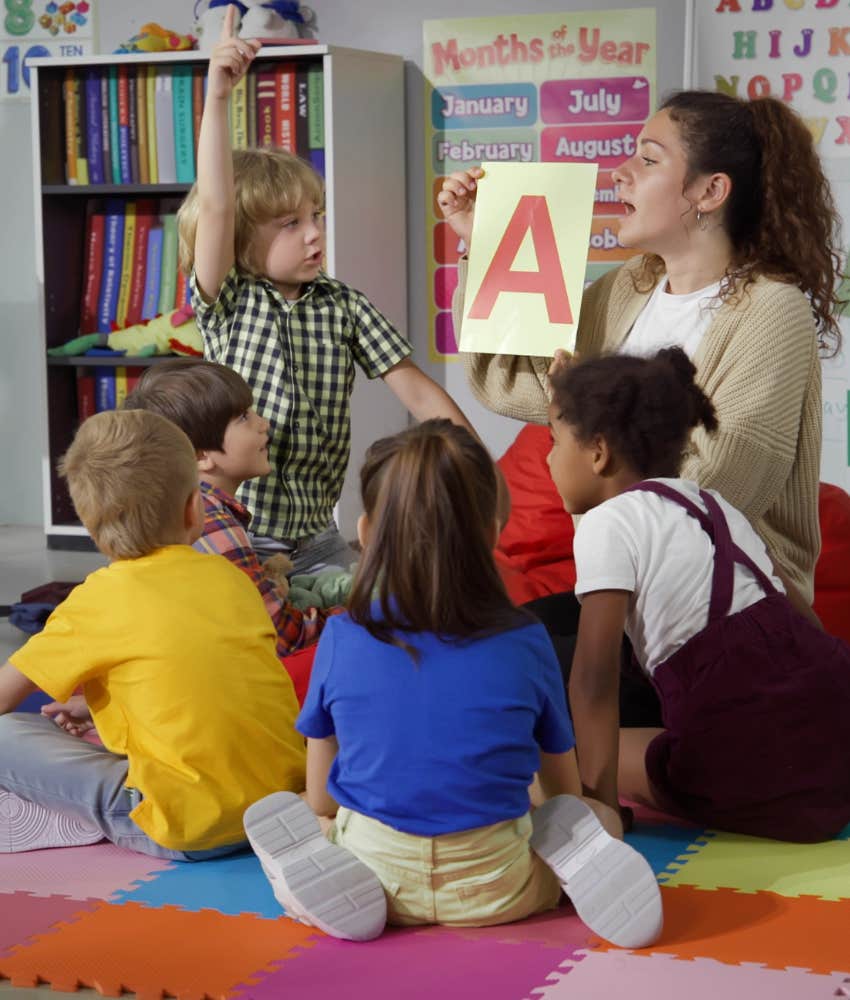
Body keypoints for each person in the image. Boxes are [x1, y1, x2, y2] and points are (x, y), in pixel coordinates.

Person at [242, 420, 663, 947]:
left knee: (318, 818)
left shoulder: (343, 636)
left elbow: (324, 794)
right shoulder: (526, 639)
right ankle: (566, 878)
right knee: (597, 819)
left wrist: (326, 818)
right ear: (491, 534)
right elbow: (563, 795)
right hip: (499, 887)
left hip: (377, 874)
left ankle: (315, 872)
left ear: (367, 532)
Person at [439, 89, 843, 607]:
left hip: (723, 603)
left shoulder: (772, 310)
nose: (619, 171)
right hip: (625, 589)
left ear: (710, 191)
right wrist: (484, 240)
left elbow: (714, 491)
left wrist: (582, 421)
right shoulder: (632, 285)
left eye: (648, 159)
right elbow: (511, 382)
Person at [178, 5, 480, 575]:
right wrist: (217, 97)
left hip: (319, 536)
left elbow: (419, 394)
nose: (316, 232)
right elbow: (216, 205)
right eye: (290, 224)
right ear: (243, 240)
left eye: (315, 215)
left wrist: (477, 470)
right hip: (237, 531)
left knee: (334, 638)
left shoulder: (344, 304)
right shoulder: (229, 300)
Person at [547, 348, 850, 843]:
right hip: (836, 734)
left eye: (554, 442)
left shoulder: (607, 523)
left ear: (598, 451)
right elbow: (806, 626)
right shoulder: (715, 505)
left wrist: (602, 811)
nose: (549, 459)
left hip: (752, 764)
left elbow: (591, 682)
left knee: (560, 750)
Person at [0, 409, 306, 859]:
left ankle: (67, 818)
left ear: (89, 524)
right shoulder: (232, 578)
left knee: (9, 734)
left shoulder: (96, 600)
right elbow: (213, 676)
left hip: (189, 827)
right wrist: (97, 706)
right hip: (285, 802)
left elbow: (5, 697)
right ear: (193, 508)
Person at [123, 359, 335, 668]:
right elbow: (280, 634)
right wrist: (350, 617)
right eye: (244, 417)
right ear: (201, 455)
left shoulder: (177, 508)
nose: (263, 423)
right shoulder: (213, 522)